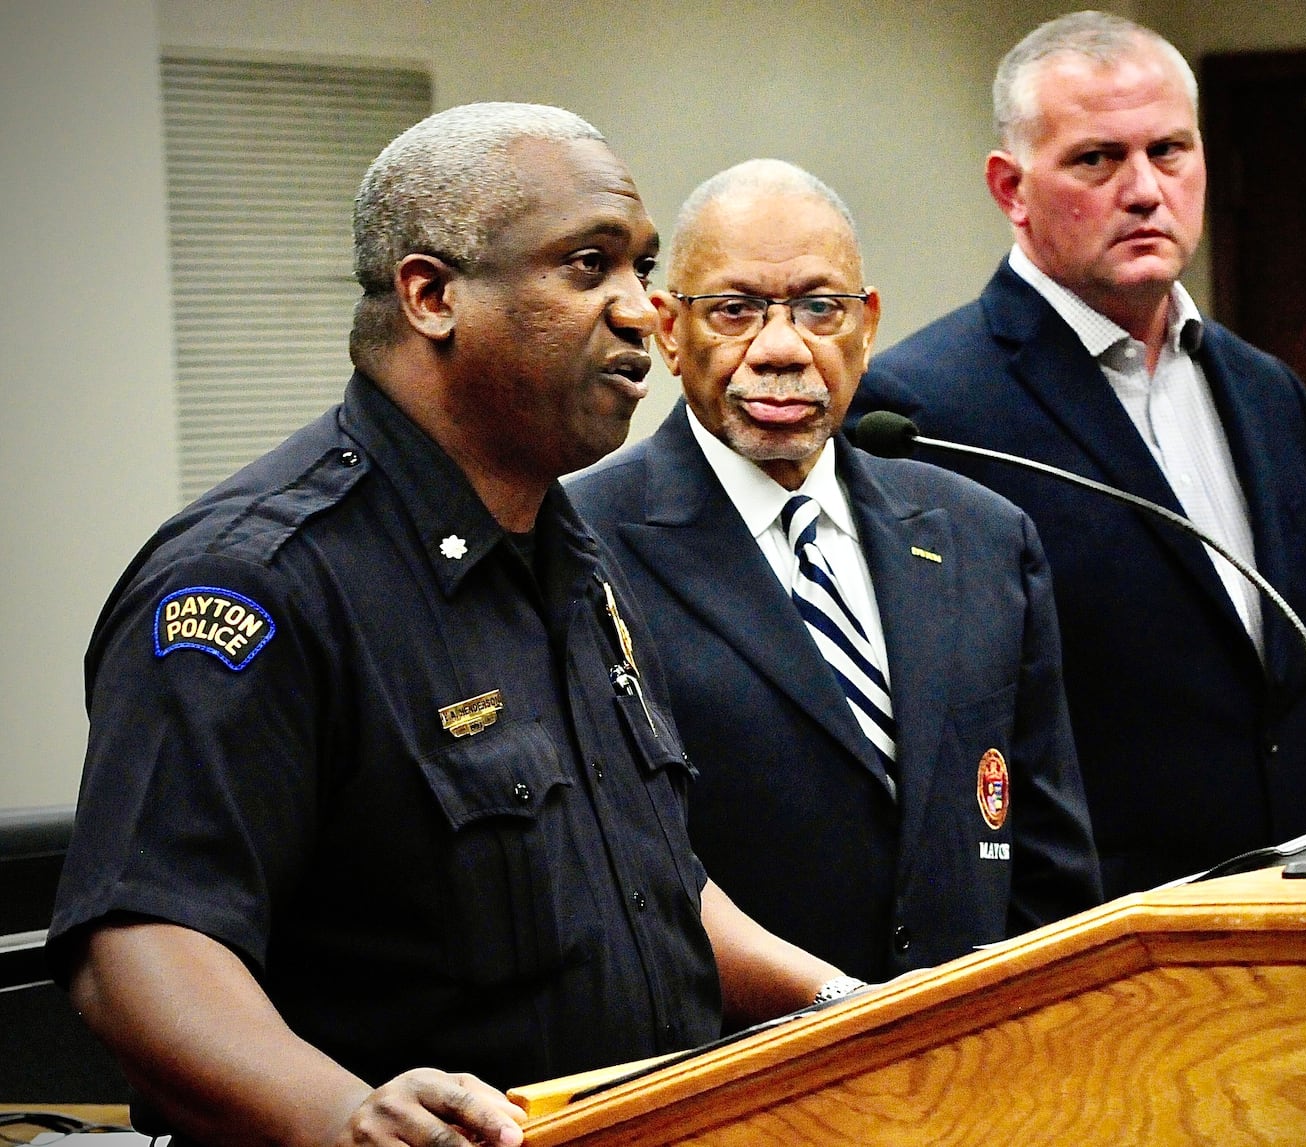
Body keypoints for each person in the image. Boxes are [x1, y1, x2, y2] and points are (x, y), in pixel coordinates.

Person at [47, 104, 849, 1147]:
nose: (641, 311)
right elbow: (140, 941)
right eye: (587, 265)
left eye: (640, 269)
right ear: (430, 295)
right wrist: (340, 1114)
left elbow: (650, 882)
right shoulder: (256, 581)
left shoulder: (571, 553)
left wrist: (840, 1000)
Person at [852, 12, 1306, 898]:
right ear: (1011, 189)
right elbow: (946, 736)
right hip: (1110, 930)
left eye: (1169, 151)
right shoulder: (922, 404)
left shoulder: (1266, 389)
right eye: (1097, 159)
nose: (1143, 190)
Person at [566, 160, 1101, 987]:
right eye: (735, 310)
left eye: (821, 308)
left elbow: (1047, 860)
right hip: (732, 1080)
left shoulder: (982, 535)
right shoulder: (578, 545)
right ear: (669, 330)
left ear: (867, 325)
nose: (781, 349)